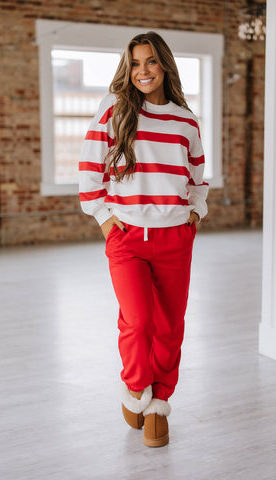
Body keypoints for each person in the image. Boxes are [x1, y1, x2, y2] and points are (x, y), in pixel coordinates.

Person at [78, 31, 208, 448]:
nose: (143, 71)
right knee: (138, 321)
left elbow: (197, 178)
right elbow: (88, 171)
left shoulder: (186, 120)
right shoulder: (114, 109)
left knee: (170, 327)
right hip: (127, 237)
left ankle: (159, 406)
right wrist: (103, 218)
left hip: (175, 238)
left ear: (165, 64)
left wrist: (194, 214)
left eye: (150, 61)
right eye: (135, 63)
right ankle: (136, 389)